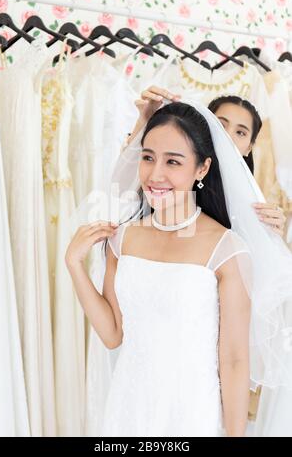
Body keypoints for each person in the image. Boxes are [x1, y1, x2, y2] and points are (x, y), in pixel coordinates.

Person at [66, 100, 252, 437]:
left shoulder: (226, 249)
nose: (155, 175)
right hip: (128, 409)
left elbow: (236, 359)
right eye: (148, 157)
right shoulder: (121, 239)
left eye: (173, 162)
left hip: (193, 414)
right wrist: (75, 266)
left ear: (202, 169)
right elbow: (112, 335)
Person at [123, 87, 286, 236]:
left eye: (240, 132)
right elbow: (127, 183)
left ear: (249, 148)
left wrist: (271, 234)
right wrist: (143, 121)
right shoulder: (172, 176)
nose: (227, 136)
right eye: (220, 125)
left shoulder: (249, 198)